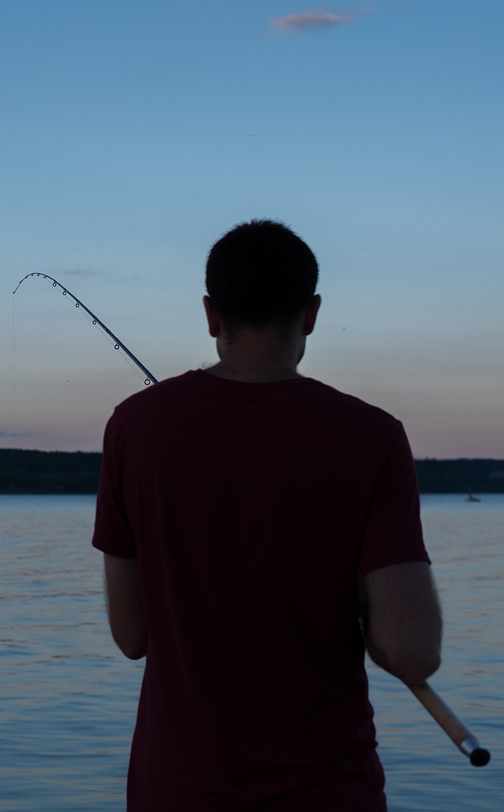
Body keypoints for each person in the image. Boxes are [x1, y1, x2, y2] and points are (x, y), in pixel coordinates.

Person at [93, 219, 442, 810]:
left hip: (175, 790)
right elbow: (410, 652)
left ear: (211, 314)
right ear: (311, 313)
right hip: (328, 791)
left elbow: (132, 636)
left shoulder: (134, 425)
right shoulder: (373, 437)